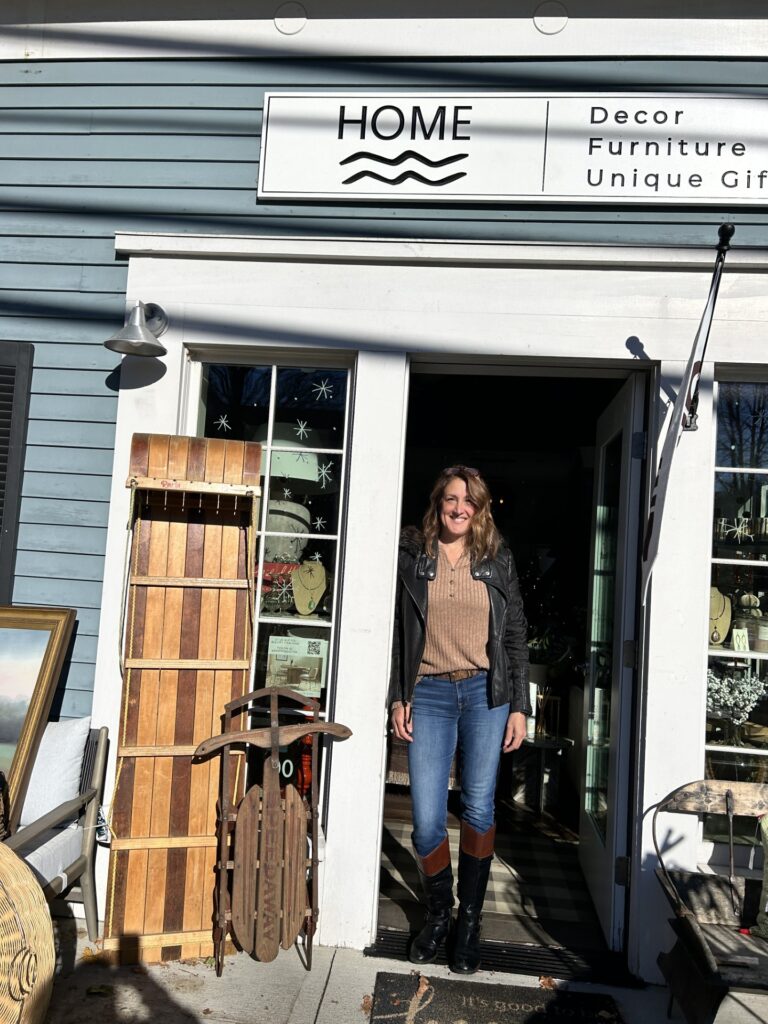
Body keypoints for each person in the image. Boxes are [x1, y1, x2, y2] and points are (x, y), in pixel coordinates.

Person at [389, 465, 531, 974]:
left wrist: (519, 706)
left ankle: (468, 922)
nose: (459, 508)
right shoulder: (413, 555)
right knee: (427, 817)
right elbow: (396, 632)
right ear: (439, 502)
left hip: (485, 692)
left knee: (478, 807)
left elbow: (515, 635)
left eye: (469, 501)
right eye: (451, 498)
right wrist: (398, 696)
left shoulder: (496, 558)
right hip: (428, 692)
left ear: (480, 508)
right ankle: (438, 914)